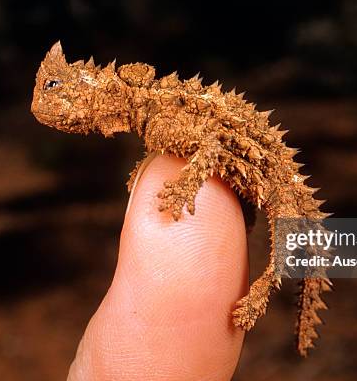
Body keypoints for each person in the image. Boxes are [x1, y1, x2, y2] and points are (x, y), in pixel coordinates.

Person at [67, 154, 249, 380]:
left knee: (301, 265)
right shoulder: (161, 137)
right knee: (301, 265)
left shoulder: (167, 129)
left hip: (280, 186)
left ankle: (301, 319)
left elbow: (210, 146)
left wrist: (187, 186)